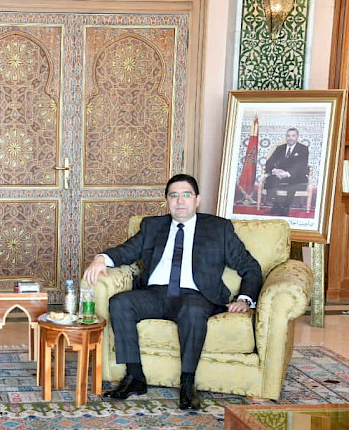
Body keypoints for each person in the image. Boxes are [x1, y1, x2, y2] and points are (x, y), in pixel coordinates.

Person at [83, 174, 262, 410]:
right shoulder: (152, 226)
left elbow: (250, 267)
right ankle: (135, 376)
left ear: (197, 199)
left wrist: (244, 299)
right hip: (156, 294)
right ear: (167, 200)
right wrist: (100, 258)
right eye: (173, 195)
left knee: (193, 309)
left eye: (186, 195)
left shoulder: (219, 228)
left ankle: (187, 382)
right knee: (120, 302)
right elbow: (126, 251)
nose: (180, 201)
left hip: (196, 296)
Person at [263, 127, 309, 216]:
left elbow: (301, 165)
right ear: (286, 137)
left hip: (296, 176)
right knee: (270, 180)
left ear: (297, 137)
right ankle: (276, 206)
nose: (290, 138)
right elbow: (269, 162)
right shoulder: (280, 148)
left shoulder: (303, 149)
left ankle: (286, 207)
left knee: (293, 183)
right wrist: (275, 170)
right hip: (280, 175)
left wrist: (287, 174)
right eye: (288, 136)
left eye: (293, 136)